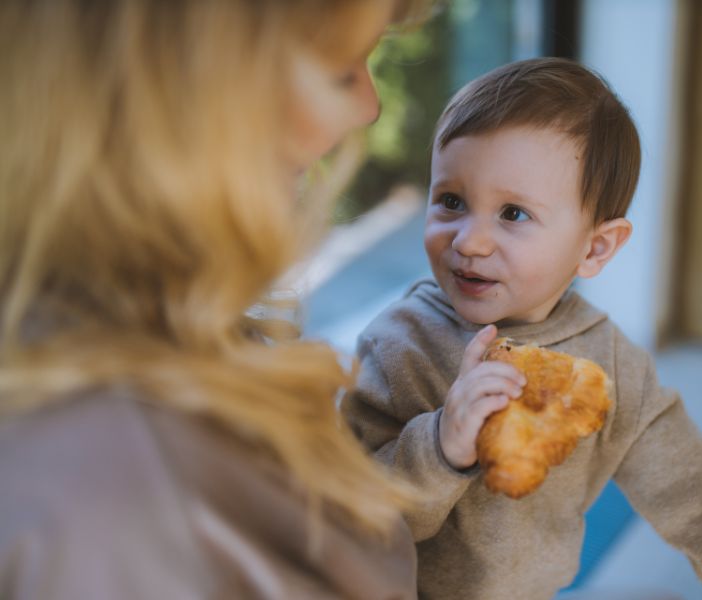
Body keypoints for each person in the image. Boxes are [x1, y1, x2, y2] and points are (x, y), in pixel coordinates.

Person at [0, 0, 431, 598]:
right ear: (176, 87)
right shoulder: (124, 488)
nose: (368, 106)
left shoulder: (176, 326)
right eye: (341, 70)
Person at [342, 58, 702, 599]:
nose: (469, 241)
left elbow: (690, 491)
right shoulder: (398, 346)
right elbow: (354, 518)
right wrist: (441, 444)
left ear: (595, 247)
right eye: (451, 201)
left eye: (512, 213)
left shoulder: (609, 362)